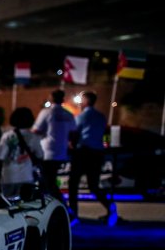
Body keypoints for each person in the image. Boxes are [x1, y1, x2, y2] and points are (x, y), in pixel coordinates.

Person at [70, 90, 117, 225]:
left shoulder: (82, 116)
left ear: (86, 101)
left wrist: (71, 145)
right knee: (93, 185)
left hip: (83, 152)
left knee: (73, 184)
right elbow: (104, 133)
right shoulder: (101, 116)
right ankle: (110, 206)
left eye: (82, 100)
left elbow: (75, 133)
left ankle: (73, 215)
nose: (80, 103)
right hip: (97, 153)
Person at [32, 89, 75, 205]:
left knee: (48, 182)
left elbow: (36, 130)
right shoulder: (69, 114)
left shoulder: (46, 112)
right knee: (47, 181)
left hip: (46, 152)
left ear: (51, 98)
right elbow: (73, 133)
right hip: (61, 152)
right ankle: (46, 205)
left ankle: (63, 207)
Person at [0, 107, 44, 199]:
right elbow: (40, 155)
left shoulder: (7, 136)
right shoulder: (34, 137)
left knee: (8, 203)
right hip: (26, 177)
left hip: (8, 176)